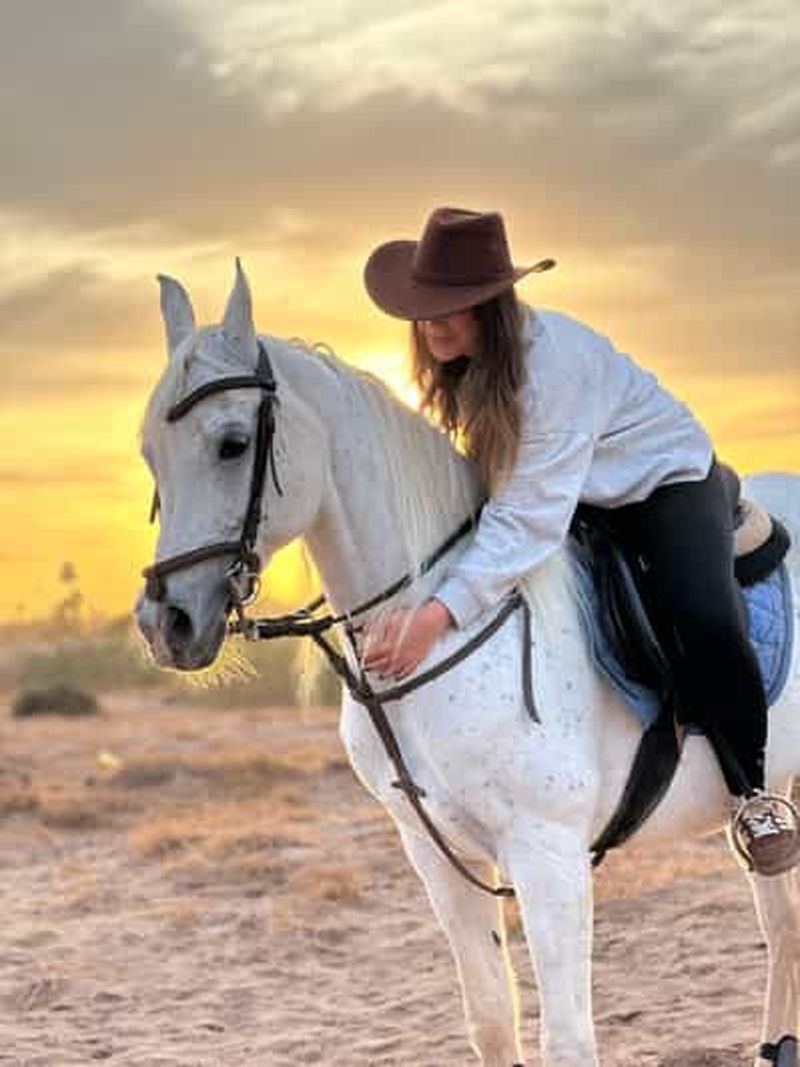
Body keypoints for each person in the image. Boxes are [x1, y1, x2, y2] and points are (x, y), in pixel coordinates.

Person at [360, 204, 800, 877]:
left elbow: (528, 518)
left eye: (450, 306)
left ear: (491, 308)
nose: (431, 322)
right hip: (574, 491)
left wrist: (437, 615)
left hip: (663, 482)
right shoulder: (460, 364)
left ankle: (752, 793)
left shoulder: (553, 369)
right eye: (425, 307)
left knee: (702, 613)